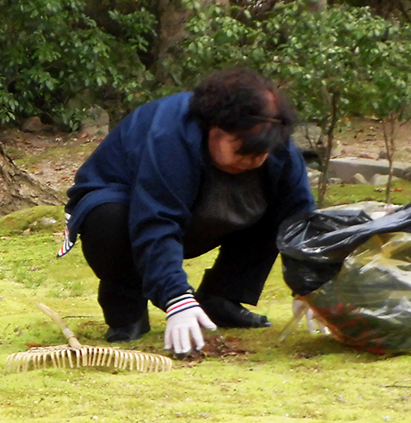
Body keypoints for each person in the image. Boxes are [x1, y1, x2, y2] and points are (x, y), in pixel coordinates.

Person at [60, 67, 316, 356]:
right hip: (126, 209)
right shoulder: (170, 135)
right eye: (241, 151)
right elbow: (156, 220)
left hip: (200, 212)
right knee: (108, 217)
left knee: (277, 208)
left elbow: (300, 217)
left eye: (259, 154)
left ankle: (222, 297)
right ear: (215, 129)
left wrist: (309, 285)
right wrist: (176, 298)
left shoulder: (277, 142)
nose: (250, 161)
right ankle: (126, 311)